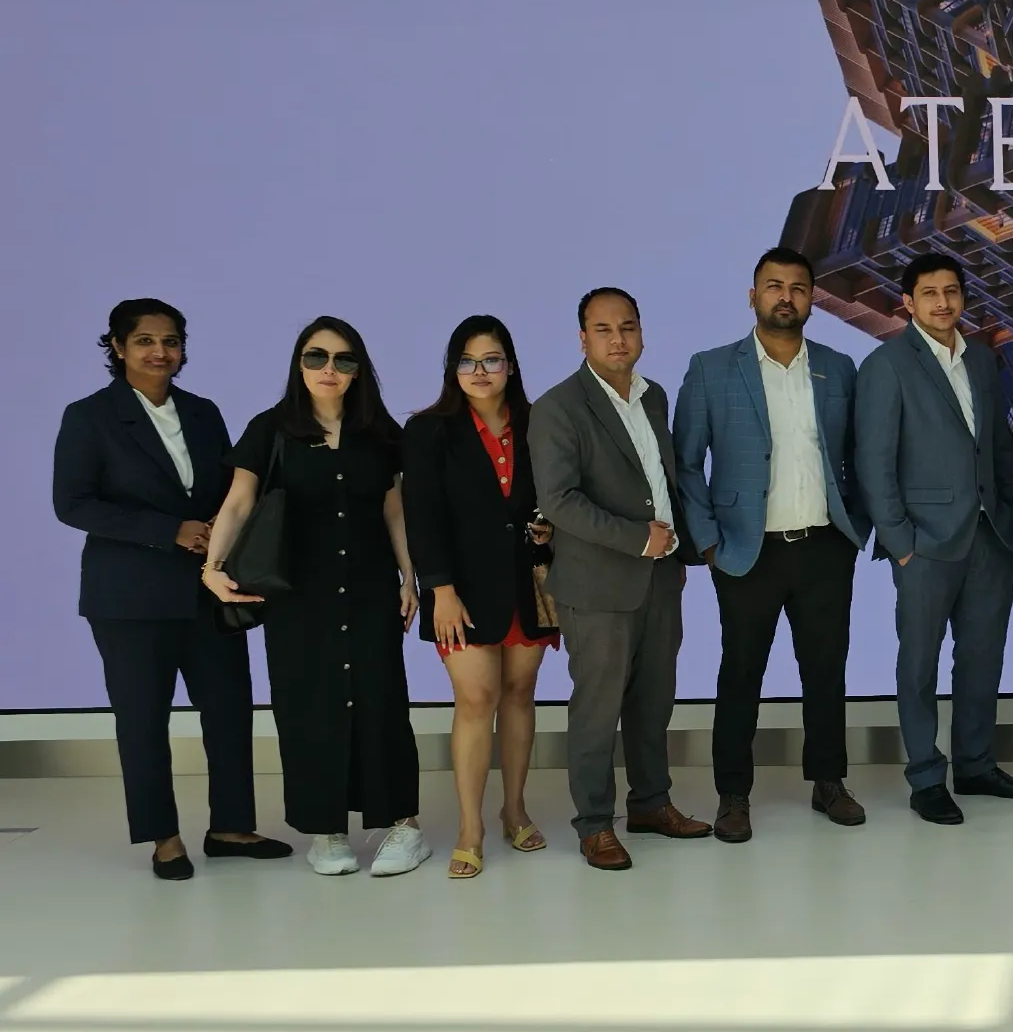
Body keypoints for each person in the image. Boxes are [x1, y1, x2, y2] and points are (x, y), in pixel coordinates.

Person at [53, 299, 289, 879]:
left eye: (171, 341)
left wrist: (219, 530)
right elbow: (73, 504)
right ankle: (164, 838)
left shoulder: (203, 412)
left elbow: (231, 489)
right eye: (145, 341)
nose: (160, 352)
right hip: (129, 599)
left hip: (209, 589)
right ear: (117, 346)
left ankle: (230, 827)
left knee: (229, 710)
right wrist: (169, 531)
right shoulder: (90, 416)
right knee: (143, 719)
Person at [203, 317, 430, 877]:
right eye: (316, 357)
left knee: (382, 702)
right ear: (299, 364)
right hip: (298, 596)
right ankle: (326, 830)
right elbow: (238, 502)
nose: (329, 369)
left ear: (359, 370)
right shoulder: (271, 428)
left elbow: (395, 510)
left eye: (343, 359)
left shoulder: (379, 433)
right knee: (306, 706)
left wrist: (409, 577)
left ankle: (403, 825)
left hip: (370, 589)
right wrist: (212, 567)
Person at [676, 247, 872, 840]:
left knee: (826, 670)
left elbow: (859, 454)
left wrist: (855, 529)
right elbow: (686, 464)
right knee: (741, 674)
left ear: (812, 299)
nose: (786, 297)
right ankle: (733, 794)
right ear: (753, 295)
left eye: (798, 288)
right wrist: (708, 544)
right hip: (745, 550)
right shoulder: (711, 368)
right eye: (774, 286)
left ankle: (829, 782)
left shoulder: (838, 368)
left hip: (824, 546)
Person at [856, 253, 1013, 824]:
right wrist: (900, 542)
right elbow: (874, 461)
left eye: (952, 291)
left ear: (963, 297)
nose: (942, 302)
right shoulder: (886, 364)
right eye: (929, 293)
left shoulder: (982, 359)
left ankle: (976, 765)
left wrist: (1008, 514)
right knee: (919, 665)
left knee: (982, 657)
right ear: (907, 302)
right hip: (924, 543)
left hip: (989, 536)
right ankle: (926, 778)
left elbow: (999, 444)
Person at [531, 288, 712, 870]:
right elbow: (559, 500)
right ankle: (593, 825)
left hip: (660, 578)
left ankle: (651, 805)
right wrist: (637, 538)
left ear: (641, 333)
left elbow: (661, 479)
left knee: (653, 702)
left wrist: (678, 551)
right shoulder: (557, 407)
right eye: (603, 329)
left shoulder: (653, 395)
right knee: (597, 709)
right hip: (597, 584)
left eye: (627, 327)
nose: (617, 339)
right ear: (582, 338)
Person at [402, 315, 560, 879]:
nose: (480, 371)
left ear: (510, 366)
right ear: (453, 369)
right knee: (476, 698)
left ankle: (514, 809)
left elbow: (557, 497)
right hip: (459, 591)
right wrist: (439, 589)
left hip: (527, 584)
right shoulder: (427, 430)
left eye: (491, 359)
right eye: (467, 361)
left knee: (520, 693)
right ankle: (470, 828)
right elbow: (421, 517)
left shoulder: (539, 422)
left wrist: (549, 530)